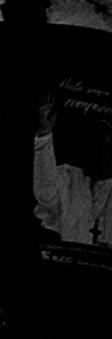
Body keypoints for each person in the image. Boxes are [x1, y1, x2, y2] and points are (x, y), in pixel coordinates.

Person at [32, 90, 112, 247]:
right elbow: (45, 195)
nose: (102, 152)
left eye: (108, 146)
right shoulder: (69, 177)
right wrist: (44, 135)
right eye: (97, 144)